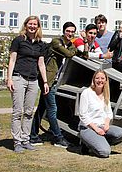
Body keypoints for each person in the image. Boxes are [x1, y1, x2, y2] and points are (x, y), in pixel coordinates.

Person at [6, 16, 49, 153]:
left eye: (35, 24)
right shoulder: (18, 40)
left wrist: (45, 82)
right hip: (19, 78)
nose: (32, 26)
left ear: (38, 27)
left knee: (29, 112)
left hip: (33, 80)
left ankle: (25, 139)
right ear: (26, 25)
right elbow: (12, 60)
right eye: (30, 24)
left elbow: (41, 64)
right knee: (18, 111)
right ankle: (17, 141)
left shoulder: (40, 44)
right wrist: (9, 78)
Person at [30, 22, 77, 147]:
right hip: (47, 80)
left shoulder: (70, 44)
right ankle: (58, 137)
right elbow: (69, 54)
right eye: (68, 31)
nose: (70, 33)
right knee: (52, 108)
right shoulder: (56, 41)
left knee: (42, 108)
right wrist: (74, 48)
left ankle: (33, 136)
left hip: (54, 80)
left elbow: (78, 53)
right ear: (64, 31)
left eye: (72, 31)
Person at [79, 70, 122, 158]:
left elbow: (109, 112)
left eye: (102, 78)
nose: (100, 80)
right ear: (93, 80)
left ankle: (100, 143)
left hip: (102, 126)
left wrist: (107, 124)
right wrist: (96, 129)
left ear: (106, 80)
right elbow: (83, 115)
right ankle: (88, 144)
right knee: (105, 153)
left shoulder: (105, 94)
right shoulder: (86, 93)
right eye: (97, 78)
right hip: (88, 128)